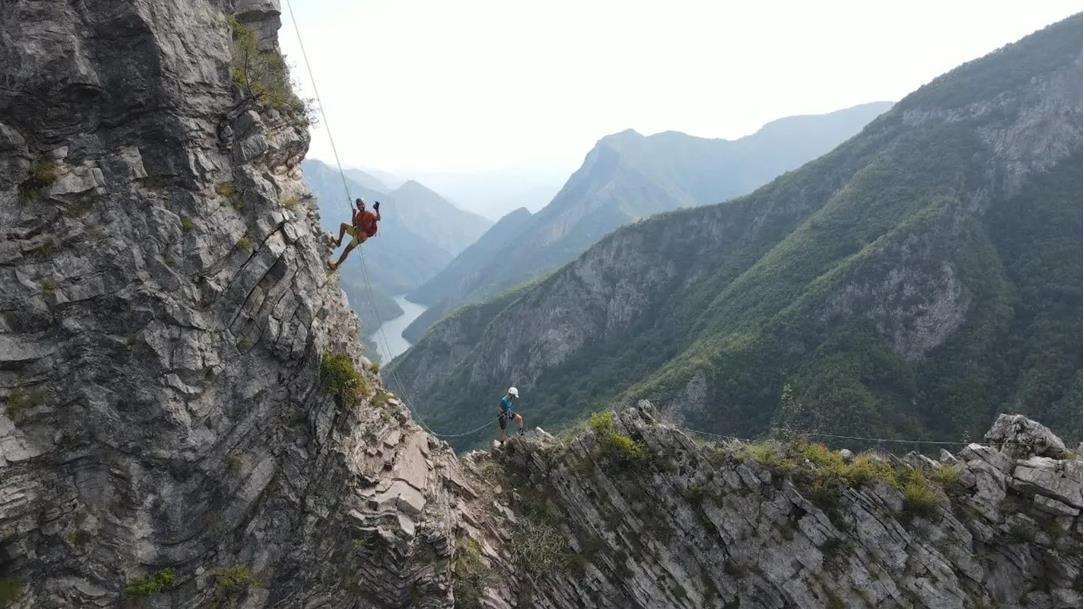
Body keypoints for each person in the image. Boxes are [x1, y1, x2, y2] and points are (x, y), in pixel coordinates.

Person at [327, 198, 380, 270]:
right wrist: (353, 214)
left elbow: (378, 218)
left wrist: (377, 209)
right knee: (343, 225)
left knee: (347, 250)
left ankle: (336, 265)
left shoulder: (369, 214)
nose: (360, 206)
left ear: (364, 204)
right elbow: (354, 224)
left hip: (360, 237)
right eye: (358, 205)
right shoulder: (358, 214)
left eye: (361, 204)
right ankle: (338, 242)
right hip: (356, 231)